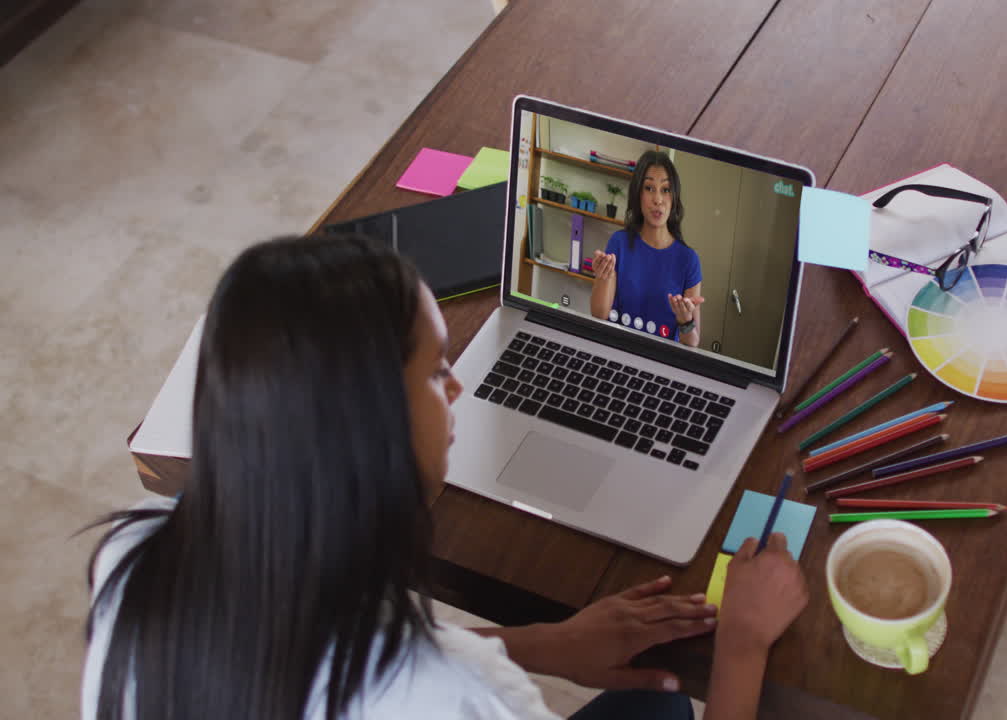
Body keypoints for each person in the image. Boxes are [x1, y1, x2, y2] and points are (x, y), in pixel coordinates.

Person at [82, 234, 808, 720]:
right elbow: (424, 681)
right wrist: (742, 646)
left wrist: (544, 644)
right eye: (435, 371)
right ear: (372, 432)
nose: (459, 384)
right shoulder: (456, 700)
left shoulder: (134, 556)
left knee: (654, 702)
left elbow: (332, 654)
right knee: (668, 702)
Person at [590, 151, 705, 347]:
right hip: (616, 349)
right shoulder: (619, 243)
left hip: (661, 360)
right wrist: (603, 277)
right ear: (638, 194)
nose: (657, 199)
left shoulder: (688, 260)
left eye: (665, 190)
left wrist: (685, 320)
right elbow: (598, 315)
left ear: (674, 198)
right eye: (649, 188)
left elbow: (693, 342)